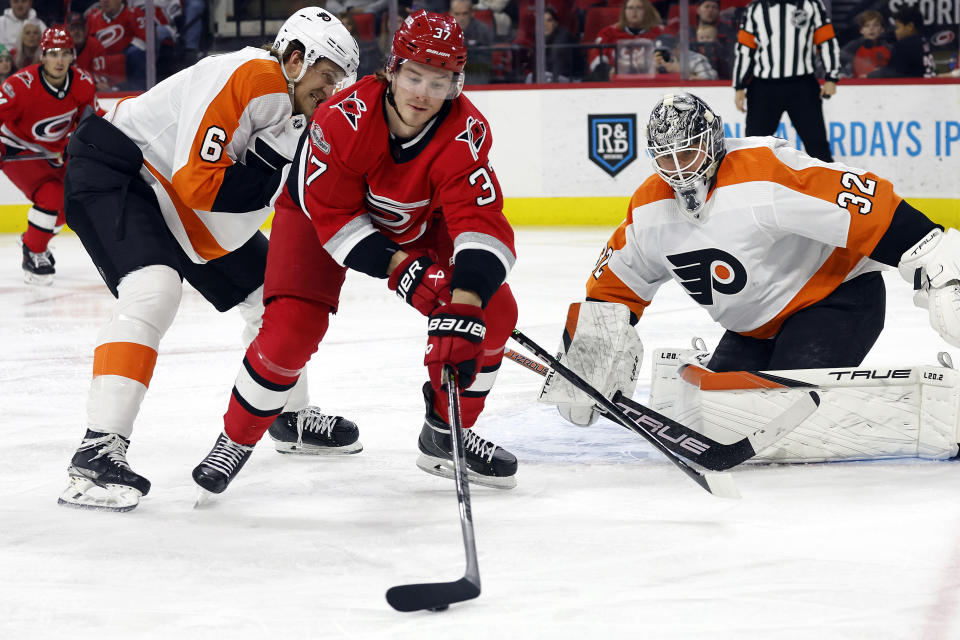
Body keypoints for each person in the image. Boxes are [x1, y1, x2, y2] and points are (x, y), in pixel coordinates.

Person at [191, 10, 520, 497]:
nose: (422, 94)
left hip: (418, 223)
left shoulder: (466, 132)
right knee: (291, 331)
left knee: (495, 312)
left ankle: (447, 433)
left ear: (456, 83)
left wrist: (464, 302)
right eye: (413, 76)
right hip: (315, 220)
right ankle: (235, 439)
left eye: (439, 81)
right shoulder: (342, 117)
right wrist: (409, 275)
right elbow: (335, 218)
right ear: (391, 70)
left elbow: (480, 222)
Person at [543, 92, 960, 463]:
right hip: (754, 327)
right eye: (665, 158)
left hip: (836, 299)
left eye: (687, 153)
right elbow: (613, 287)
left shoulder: (762, 171)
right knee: (719, 419)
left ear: (711, 142)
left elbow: (861, 200)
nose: (678, 169)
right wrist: (588, 361)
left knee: (783, 416)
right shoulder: (649, 209)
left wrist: (935, 257)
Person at [57, 7, 362, 513]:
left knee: (274, 297)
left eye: (340, 82)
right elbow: (200, 182)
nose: (332, 91)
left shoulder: (297, 113)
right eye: (326, 76)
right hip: (119, 171)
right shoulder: (250, 76)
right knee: (153, 288)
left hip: (173, 196)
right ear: (293, 58)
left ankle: (286, 414)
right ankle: (95, 452)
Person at [0, 27, 96, 285]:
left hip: (56, 152)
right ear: (42, 56)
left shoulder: (83, 82)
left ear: (73, 55)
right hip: (18, 148)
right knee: (51, 195)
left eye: (66, 53)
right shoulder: (19, 86)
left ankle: (32, 238)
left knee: (70, 206)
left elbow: (88, 121)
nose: (60, 60)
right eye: (53, 54)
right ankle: (34, 252)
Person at [732, 0, 839, 162]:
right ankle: (755, 186)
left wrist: (832, 76)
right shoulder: (755, 9)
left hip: (802, 85)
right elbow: (745, 49)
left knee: (817, 145)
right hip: (763, 87)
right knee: (754, 146)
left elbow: (826, 40)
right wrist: (739, 86)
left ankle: (827, 186)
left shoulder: (811, 5)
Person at [589, 0, 663, 79]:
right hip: (615, 84)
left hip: (652, 82)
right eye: (630, 8)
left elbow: (669, 61)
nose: (634, 11)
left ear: (647, 11)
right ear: (624, 11)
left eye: (639, 8)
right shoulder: (608, 33)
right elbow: (597, 62)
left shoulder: (660, 33)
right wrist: (610, 71)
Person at [84, 0, 146, 89]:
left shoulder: (134, 13)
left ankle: (139, 93)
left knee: (136, 53)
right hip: (100, 64)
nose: (105, 1)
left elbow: (146, 45)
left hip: (126, 66)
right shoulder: (93, 17)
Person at [868, 6, 934, 78]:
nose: (896, 32)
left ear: (910, 26)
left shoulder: (905, 45)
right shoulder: (923, 41)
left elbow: (890, 73)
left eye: (898, 27)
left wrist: (870, 75)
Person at [450, 0, 494, 84]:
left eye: (464, 13)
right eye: (457, 14)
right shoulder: (446, 30)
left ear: (472, 13)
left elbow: (485, 63)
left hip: (475, 73)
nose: (461, 18)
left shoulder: (482, 31)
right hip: (451, 74)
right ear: (451, 13)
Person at [839, 9, 891, 78]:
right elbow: (841, 54)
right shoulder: (856, 44)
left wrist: (879, 72)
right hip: (858, 84)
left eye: (875, 25)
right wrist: (860, 61)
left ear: (882, 29)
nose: (871, 29)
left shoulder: (889, 48)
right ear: (861, 30)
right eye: (867, 26)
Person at [66, 10, 109, 90]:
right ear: (67, 31)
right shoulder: (62, 47)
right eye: (73, 28)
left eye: (79, 28)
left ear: (85, 29)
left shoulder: (95, 46)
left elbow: (101, 81)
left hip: (89, 88)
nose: (76, 31)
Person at [652, 32, 718, 79]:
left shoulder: (696, 59)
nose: (660, 55)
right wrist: (653, 72)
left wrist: (682, 72)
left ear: (678, 48)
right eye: (657, 52)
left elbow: (710, 82)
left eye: (665, 52)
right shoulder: (651, 60)